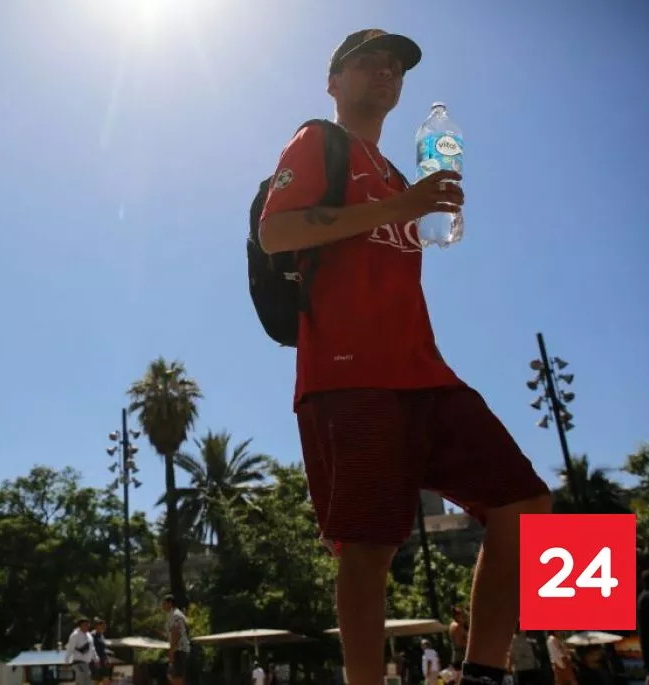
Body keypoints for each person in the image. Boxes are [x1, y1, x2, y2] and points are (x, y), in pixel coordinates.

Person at [256, 27, 551, 685]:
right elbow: (276, 231)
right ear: (334, 82)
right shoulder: (317, 142)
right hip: (348, 372)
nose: (386, 73)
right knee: (368, 547)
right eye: (368, 63)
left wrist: (415, 205)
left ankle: (483, 671)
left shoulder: (395, 170)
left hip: (426, 372)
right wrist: (404, 205)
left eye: (395, 67)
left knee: (528, 503)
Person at [162, 595, 191, 685]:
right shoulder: (174, 615)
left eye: (164, 603)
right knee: (172, 675)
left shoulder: (175, 615)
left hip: (178, 649)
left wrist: (172, 650)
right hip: (177, 649)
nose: (162, 606)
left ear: (170, 603)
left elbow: (176, 633)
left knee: (176, 676)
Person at [65, 617, 96, 685]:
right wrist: (66, 661)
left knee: (82, 681)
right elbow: (70, 648)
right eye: (85, 624)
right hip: (78, 662)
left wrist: (96, 658)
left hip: (86, 662)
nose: (88, 626)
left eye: (88, 624)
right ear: (80, 625)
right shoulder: (75, 635)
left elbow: (92, 648)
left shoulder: (89, 636)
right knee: (84, 679)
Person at [91, 618, 111, 685]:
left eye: (105, 626)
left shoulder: (102, 635)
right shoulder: (92, 635)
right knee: (96, 680)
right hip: (96, 661)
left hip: (104, 661)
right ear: (97, 626)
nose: (104, 627)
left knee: (106, 679)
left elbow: (103, 648)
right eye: (102, 626)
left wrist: (107, 657)